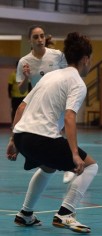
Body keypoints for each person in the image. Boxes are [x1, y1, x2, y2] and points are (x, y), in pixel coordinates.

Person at [6, 32, 98, 233]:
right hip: (41, 139)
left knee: (48, 167)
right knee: (91, 166)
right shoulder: (77, 83)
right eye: (90, 59)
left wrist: (13, 139)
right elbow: (69, 117)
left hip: (22, 137)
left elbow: (21, 107)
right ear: (85, 59)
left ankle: (25, 214)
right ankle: (66, 213)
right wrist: (74, 153)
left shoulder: (50, 76)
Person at [16, 25, 76, 184]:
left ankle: (70, 165)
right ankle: (58, 163)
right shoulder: (24, 61)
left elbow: (69, 73)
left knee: (59, 132)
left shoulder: (57, 56)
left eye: (42, 36)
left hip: (59, 101)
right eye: (35, 37)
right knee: (47, 136)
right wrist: (26, 78)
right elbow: (21, 90)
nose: (40, 39)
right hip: (39, 104)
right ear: (30, 40)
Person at [8, 60, 31, 126]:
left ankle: (23, 125)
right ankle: (13, 125)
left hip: (25, 96)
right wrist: (9, 94)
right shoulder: (12, 74)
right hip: (15, 96)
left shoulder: (26, 75)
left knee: (24, 111)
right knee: (14, 110)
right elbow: (10, 86)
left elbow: (29, 86)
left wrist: (29, 95)